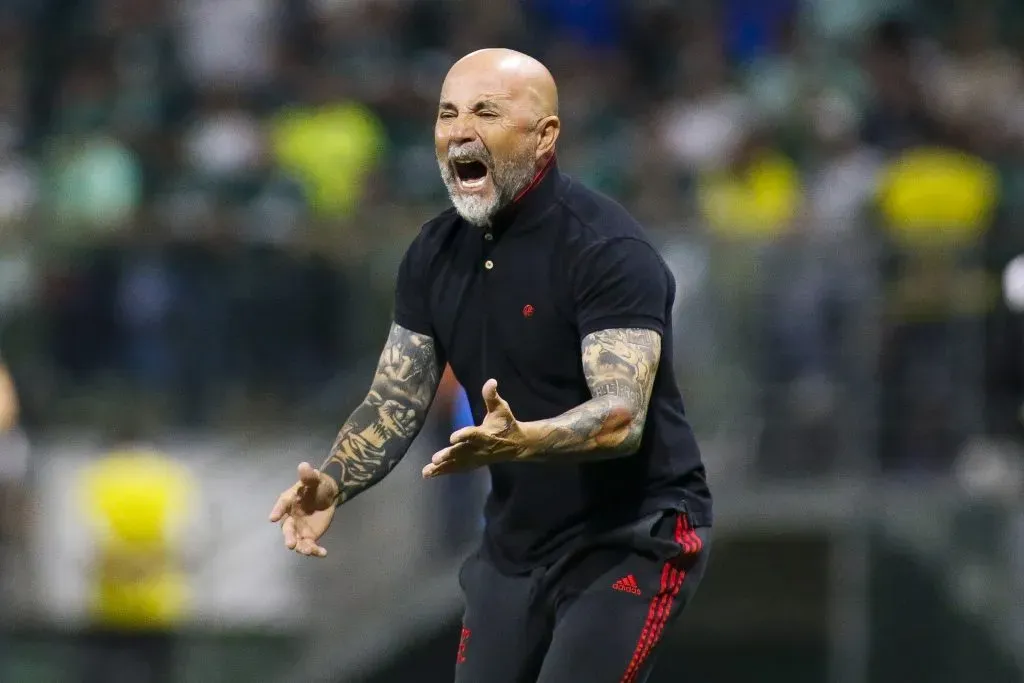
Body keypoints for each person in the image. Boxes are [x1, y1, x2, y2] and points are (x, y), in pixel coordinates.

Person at [269, 48, 713, 683]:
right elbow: (395, 401)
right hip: (515, 542)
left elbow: (622, 418)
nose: (459, 131)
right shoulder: (432, 254)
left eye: (486, 112)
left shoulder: (607, 250)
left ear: (544, 136)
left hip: (632, 538)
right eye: (447, 114)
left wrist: (526, 439)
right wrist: (336, 478)